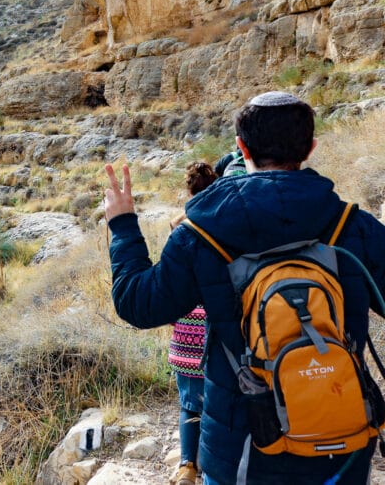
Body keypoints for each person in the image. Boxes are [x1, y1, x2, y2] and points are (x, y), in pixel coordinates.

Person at [102, 91, 385, 485]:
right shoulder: (353, 225)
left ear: (241, 147)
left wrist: (123, 226)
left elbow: (137, 304)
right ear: (311, 148)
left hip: (240, 447)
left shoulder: (201, 233)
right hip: (341, 439)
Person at [168, 161, 218, 485]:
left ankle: (188, 466)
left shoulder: (178, 227)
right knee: (219, 402)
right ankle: (214, 464)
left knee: (189, 401)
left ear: (188, 191)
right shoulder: (227, 224)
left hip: (187, 326)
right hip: (218, 329)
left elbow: (170, 282)